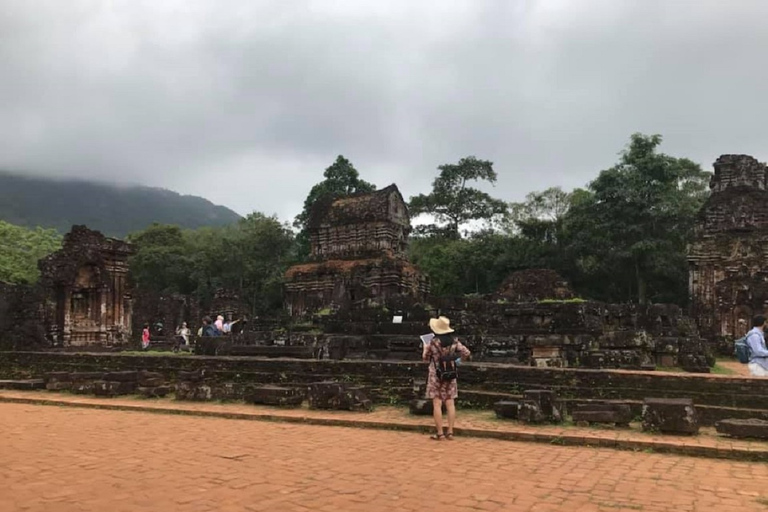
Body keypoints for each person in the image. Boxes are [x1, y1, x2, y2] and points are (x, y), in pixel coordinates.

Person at [422, 316, 471, 440]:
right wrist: (458, 361)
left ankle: (440, 433)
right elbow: (466, 353)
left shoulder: (433, 342)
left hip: (435, 374)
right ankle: (450, 431)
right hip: (450, 372)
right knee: (450, 402)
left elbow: (425, 358)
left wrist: (425, 348)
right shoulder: (454, 341)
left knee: (437, 403)